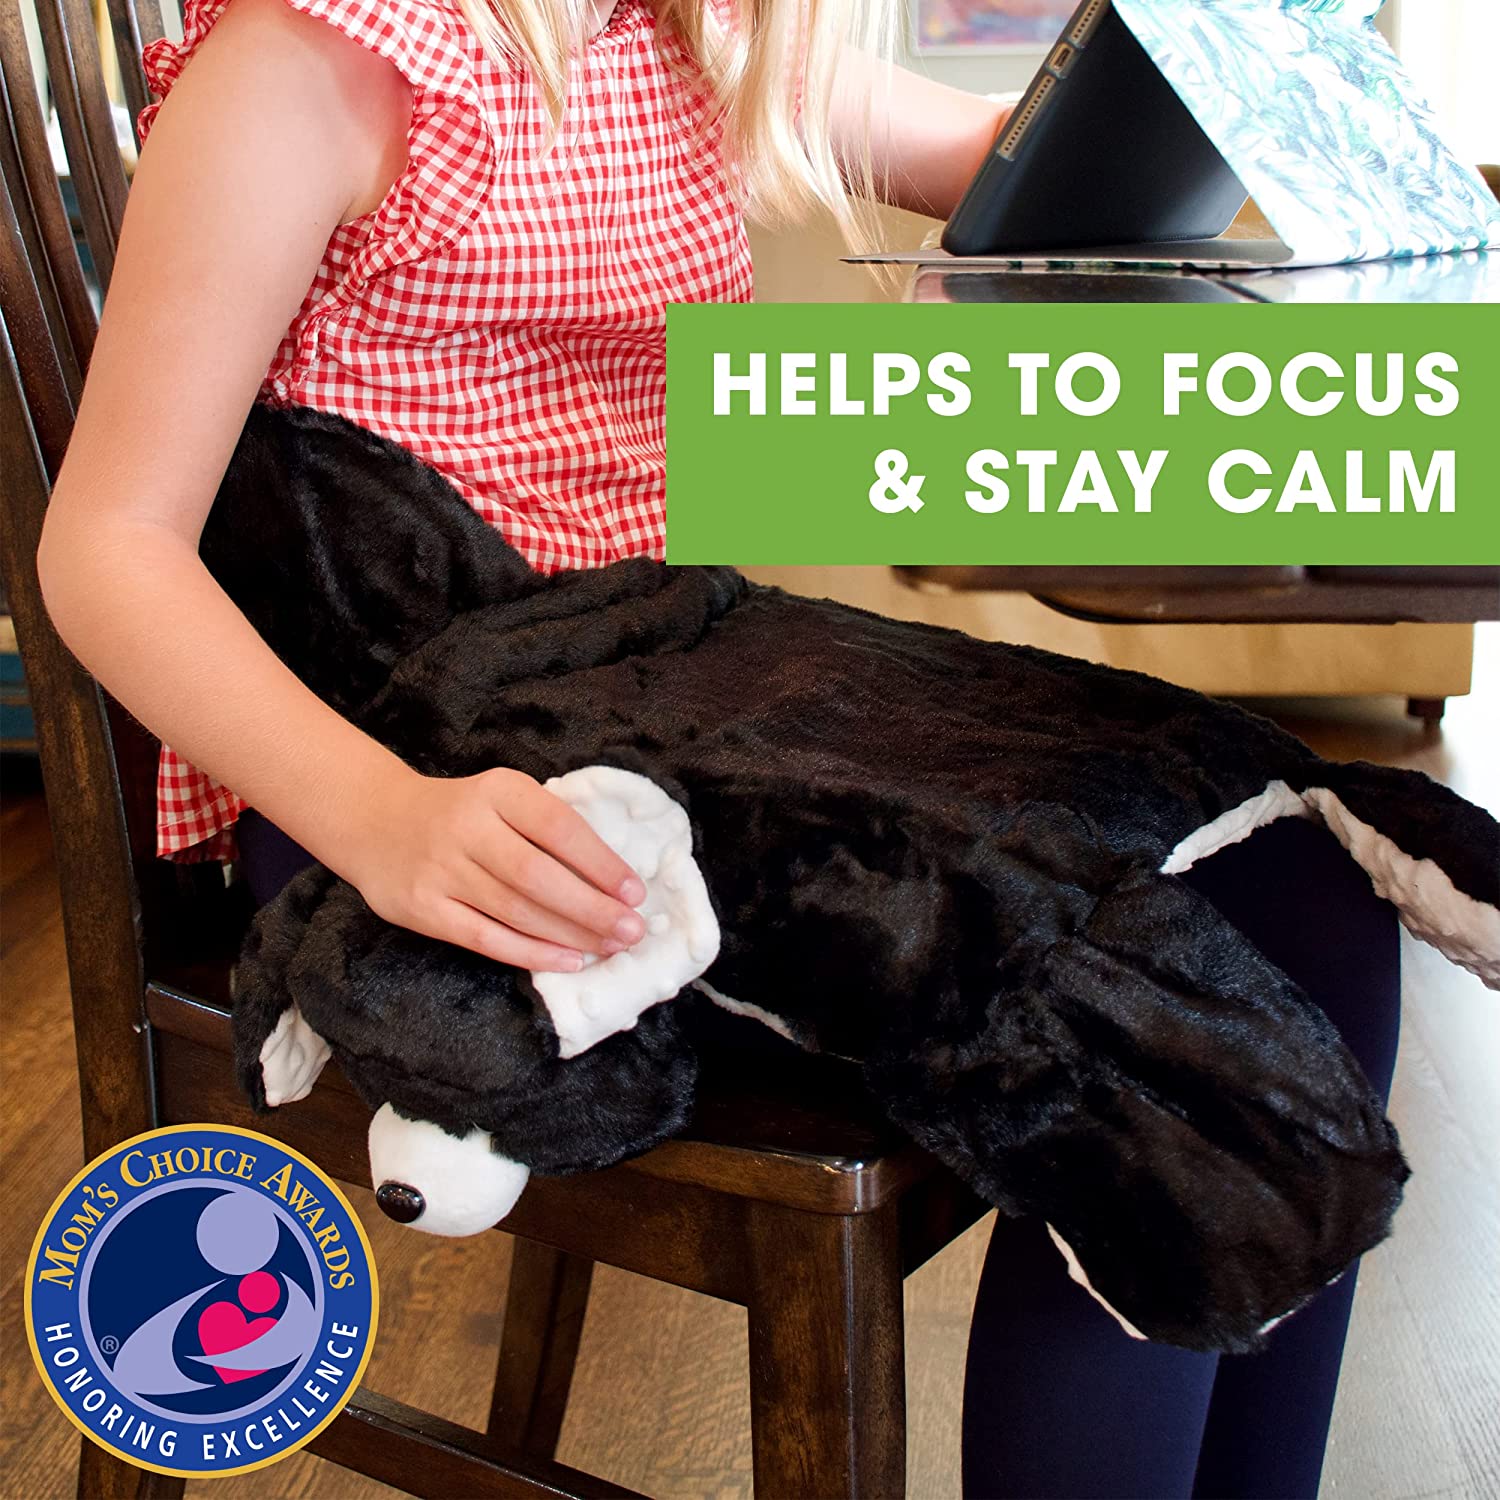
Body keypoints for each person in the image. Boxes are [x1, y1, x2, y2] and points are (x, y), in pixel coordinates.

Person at [35, 0, 1401, 1492]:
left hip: (666, 692)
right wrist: (380, 816)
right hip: (413, 776)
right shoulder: (308, 71)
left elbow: (1010, 166)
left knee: (1313, 889)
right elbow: (108, 549)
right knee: (1140, 1051)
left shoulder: (680, 33)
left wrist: (1235, 61)